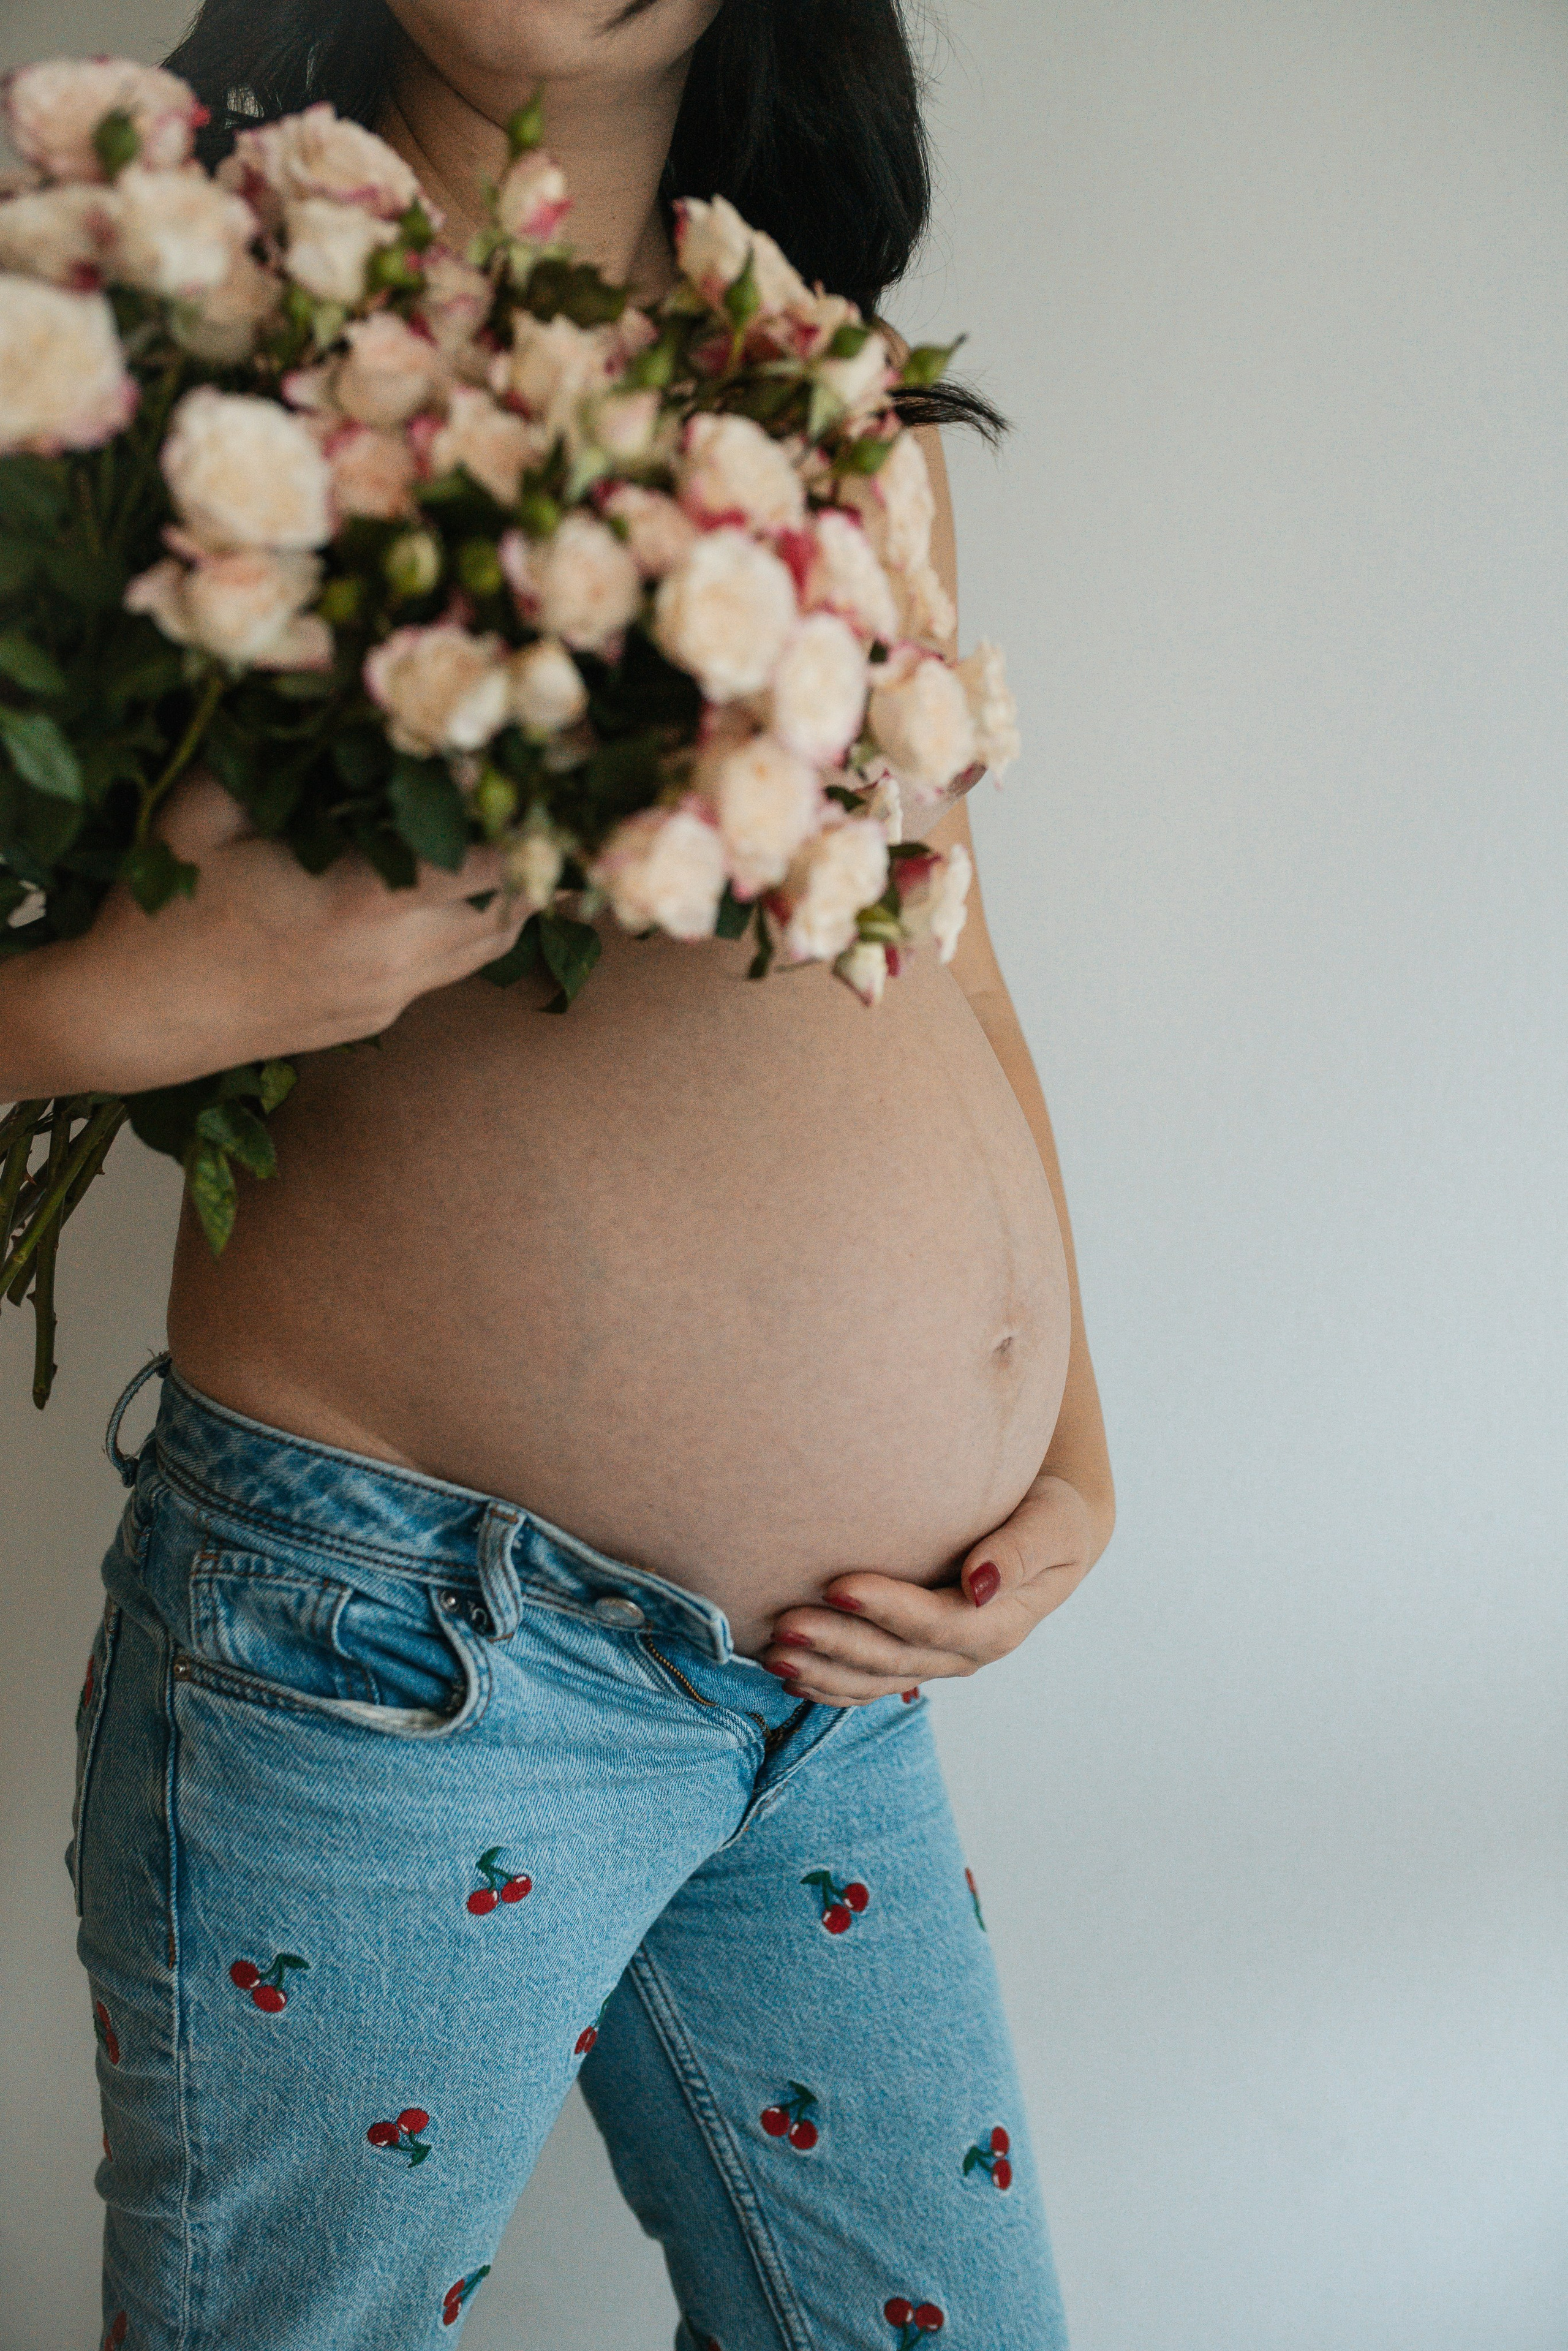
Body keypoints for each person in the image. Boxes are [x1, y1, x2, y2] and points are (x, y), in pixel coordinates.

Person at [4, 4, 1115, 2344]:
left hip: (837, 1692)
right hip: (411, 1668)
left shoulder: (832, 382)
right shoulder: (139, 342)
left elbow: (957, 964)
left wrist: (1068, 1443)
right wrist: (136, 999)